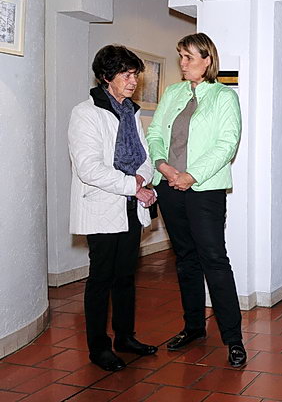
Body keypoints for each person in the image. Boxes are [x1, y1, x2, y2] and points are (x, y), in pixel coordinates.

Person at [146, 33, 246, 367]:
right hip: (169, 187)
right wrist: (162, 165)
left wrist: (191, 175)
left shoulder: (223, 96)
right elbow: (155, 133)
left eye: (189, 57)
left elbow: (227, 144)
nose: (183, 63)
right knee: (185, 259)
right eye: (181, 56)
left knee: (214, 260)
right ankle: (193, 328)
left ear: (207, 60)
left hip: (204, 190)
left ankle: (233, 338)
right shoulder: (172, 93)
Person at [68, 45, 158, 372]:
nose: (133, 81)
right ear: (106, 76)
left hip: (130, 206)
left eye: (135, 75)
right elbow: (89, 168)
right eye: (126, 74)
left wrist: (142, 179)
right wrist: (133, 185)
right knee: (101, 279)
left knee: (125, 276)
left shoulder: (130, 112)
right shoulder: (86, 113)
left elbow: (144, 158)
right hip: (102, 206)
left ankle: (125, 337)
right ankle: (98, 348)